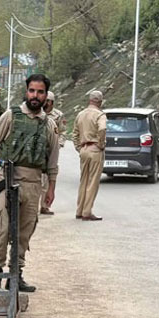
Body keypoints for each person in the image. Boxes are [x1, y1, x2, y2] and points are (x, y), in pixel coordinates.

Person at [0, 74, 59, 293]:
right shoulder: (11, 115)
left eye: (40, 92)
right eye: (32, 91)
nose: (35, 96)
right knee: (1, 230)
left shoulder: (48, 124)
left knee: (24, 234)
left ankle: (15, 275)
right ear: (26, 91)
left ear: (45, 95)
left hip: (33, 183)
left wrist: (51, 188)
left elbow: (52, 160)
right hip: (8, 178)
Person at [72, 90, 107, 221]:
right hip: (95, 149)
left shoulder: (80, 114)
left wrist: (78, 147)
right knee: (92, 182)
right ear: (100, 101)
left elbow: (75, 133)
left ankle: (79, 210)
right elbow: (102, 129)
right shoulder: (100, 115)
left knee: (83, 180)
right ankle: (87, 212)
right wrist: (101, 143)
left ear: (90, 100)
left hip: (84, 149)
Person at [40, 91, 67, 215]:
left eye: (48, 101)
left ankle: (45, 205)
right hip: (38, 149)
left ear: (52, 102)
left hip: (51, 149)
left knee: (49, 176)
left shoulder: (58, 115)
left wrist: (59, 144)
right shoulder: (37, 112)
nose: (46, 103)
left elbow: (62, 131)